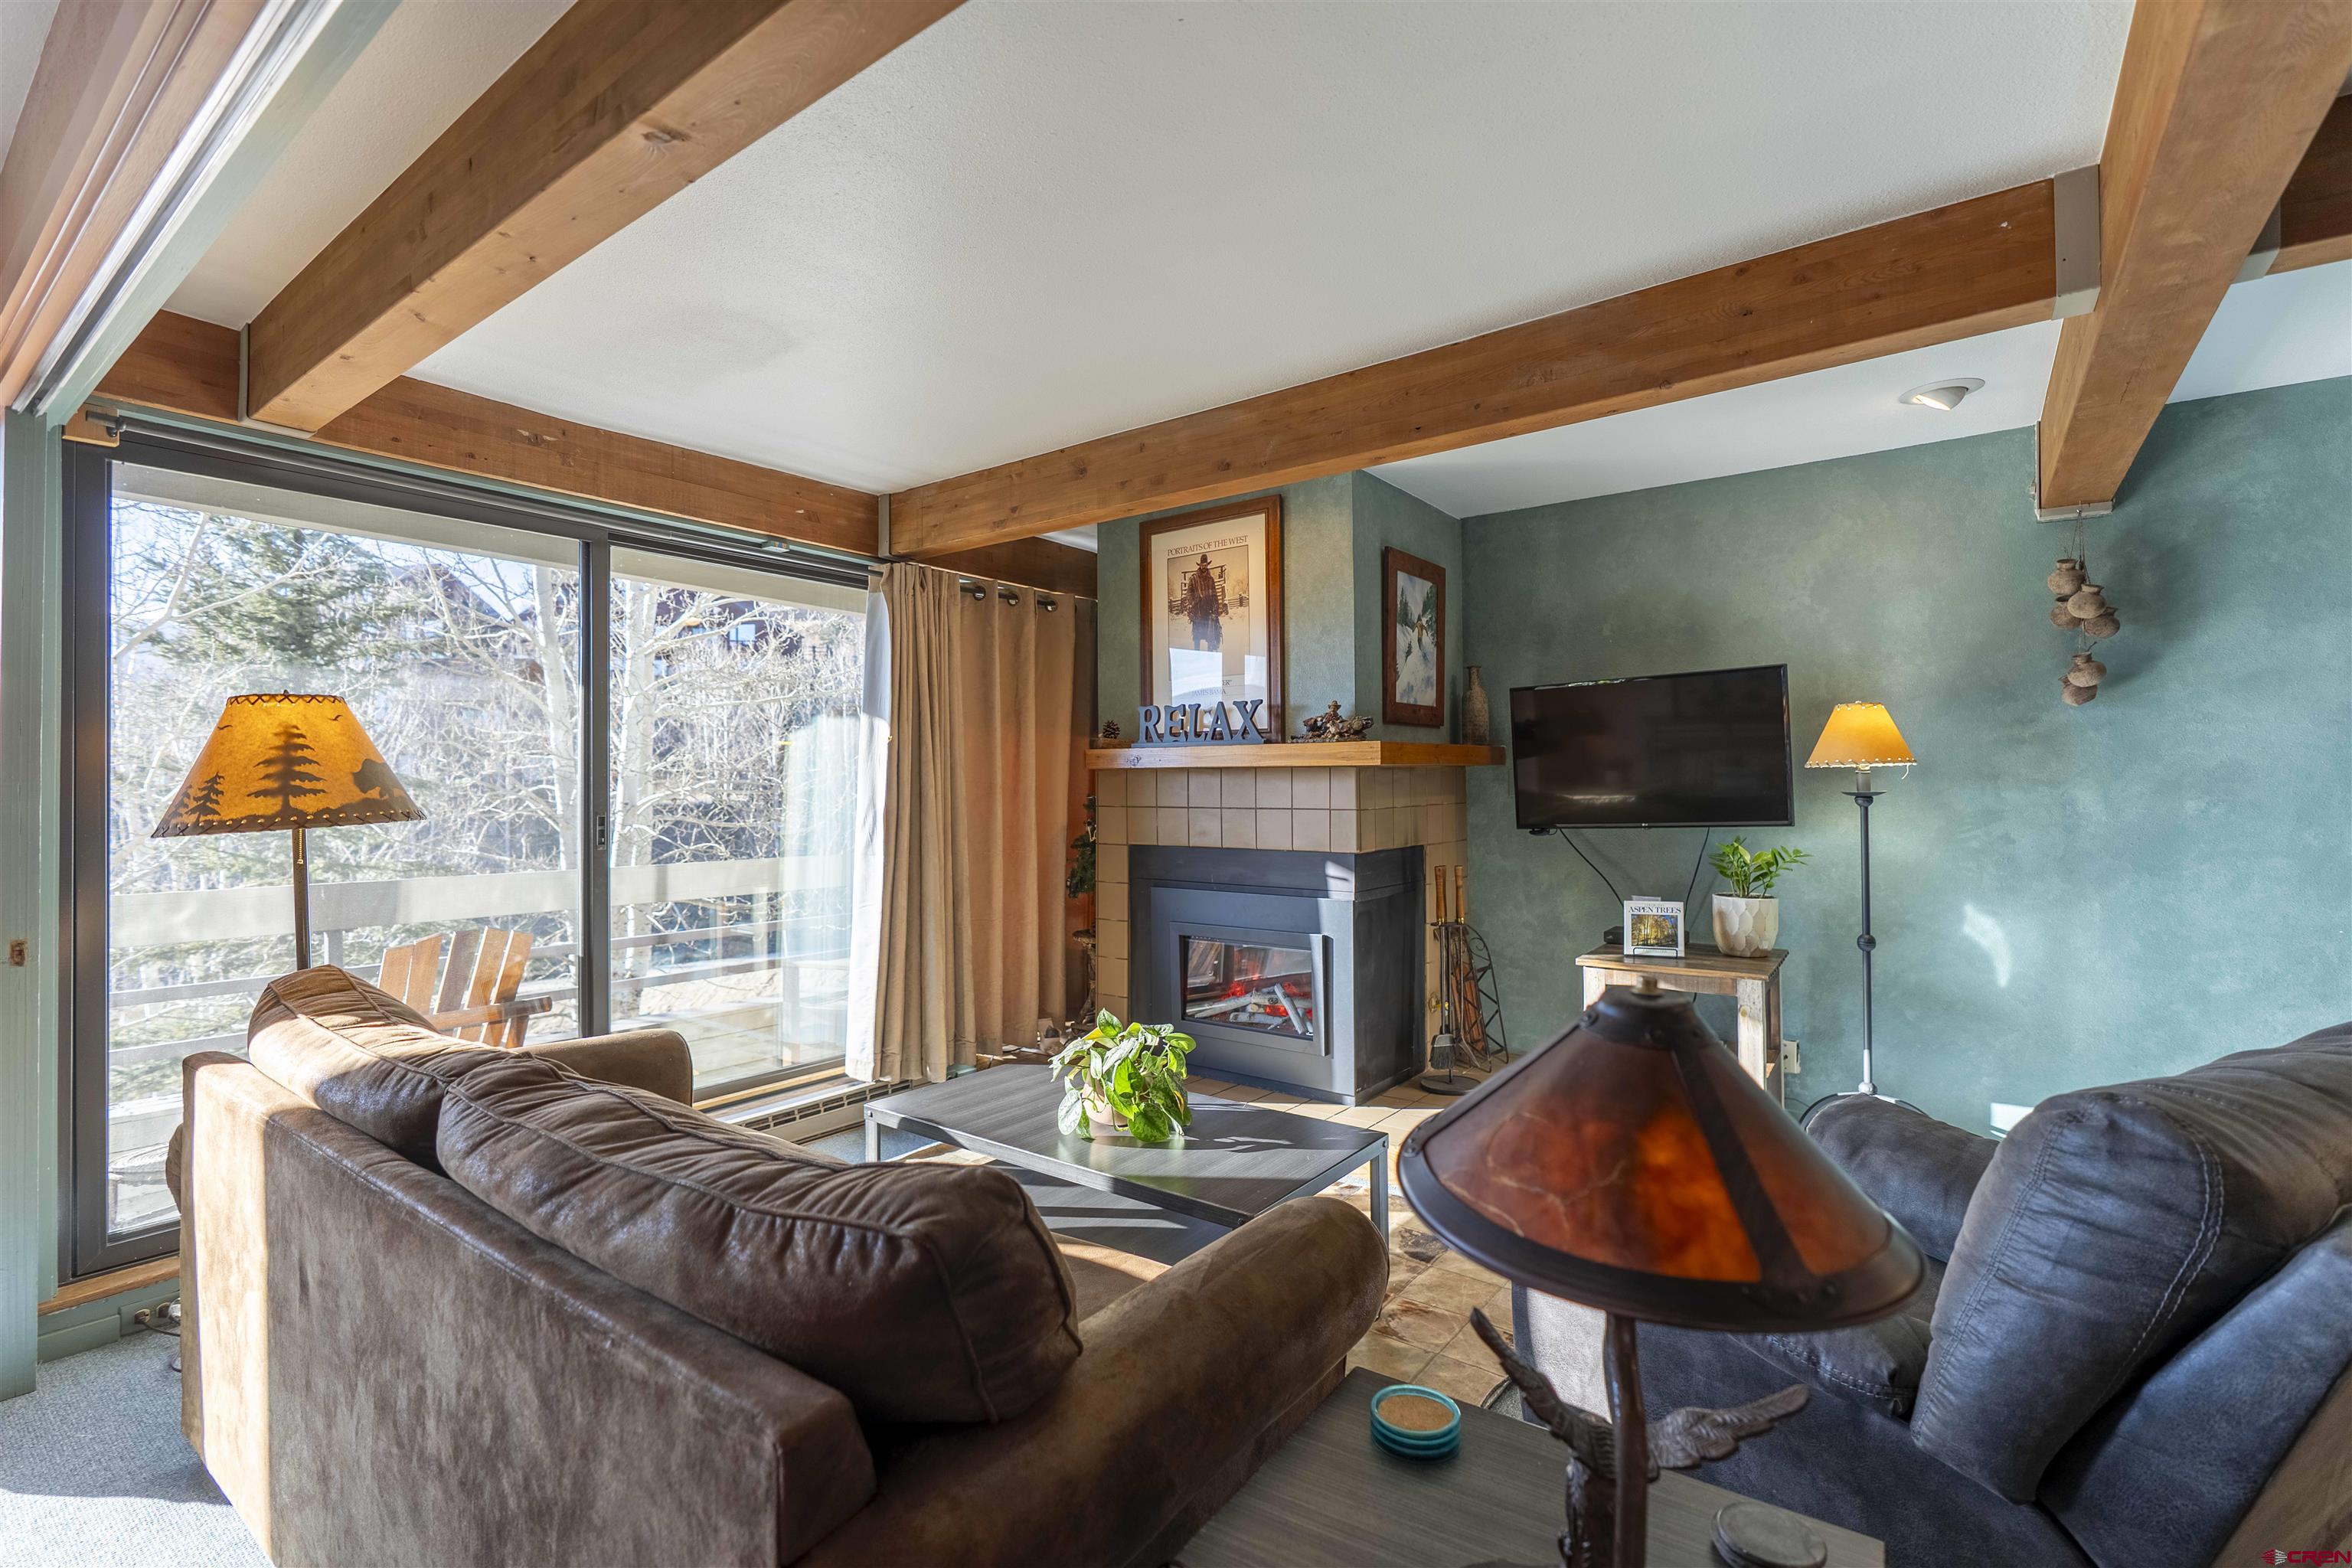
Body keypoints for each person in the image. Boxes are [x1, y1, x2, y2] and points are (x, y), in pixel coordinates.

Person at [1179, 554, 1226, 651]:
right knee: (1197, 638)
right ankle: (1197, 655)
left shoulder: (1211, 579)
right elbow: (1189, 594)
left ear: (1207, 565)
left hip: (1209, 613)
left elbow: (1214, 596)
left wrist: (1216, 609)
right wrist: (1194, 602)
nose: (1204, 567)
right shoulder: (1194, 579)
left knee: (1210, 638)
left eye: (1205, 565)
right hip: (1198, 613)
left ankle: (1211, 657)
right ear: (1199, 565)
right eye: (1202, 565)